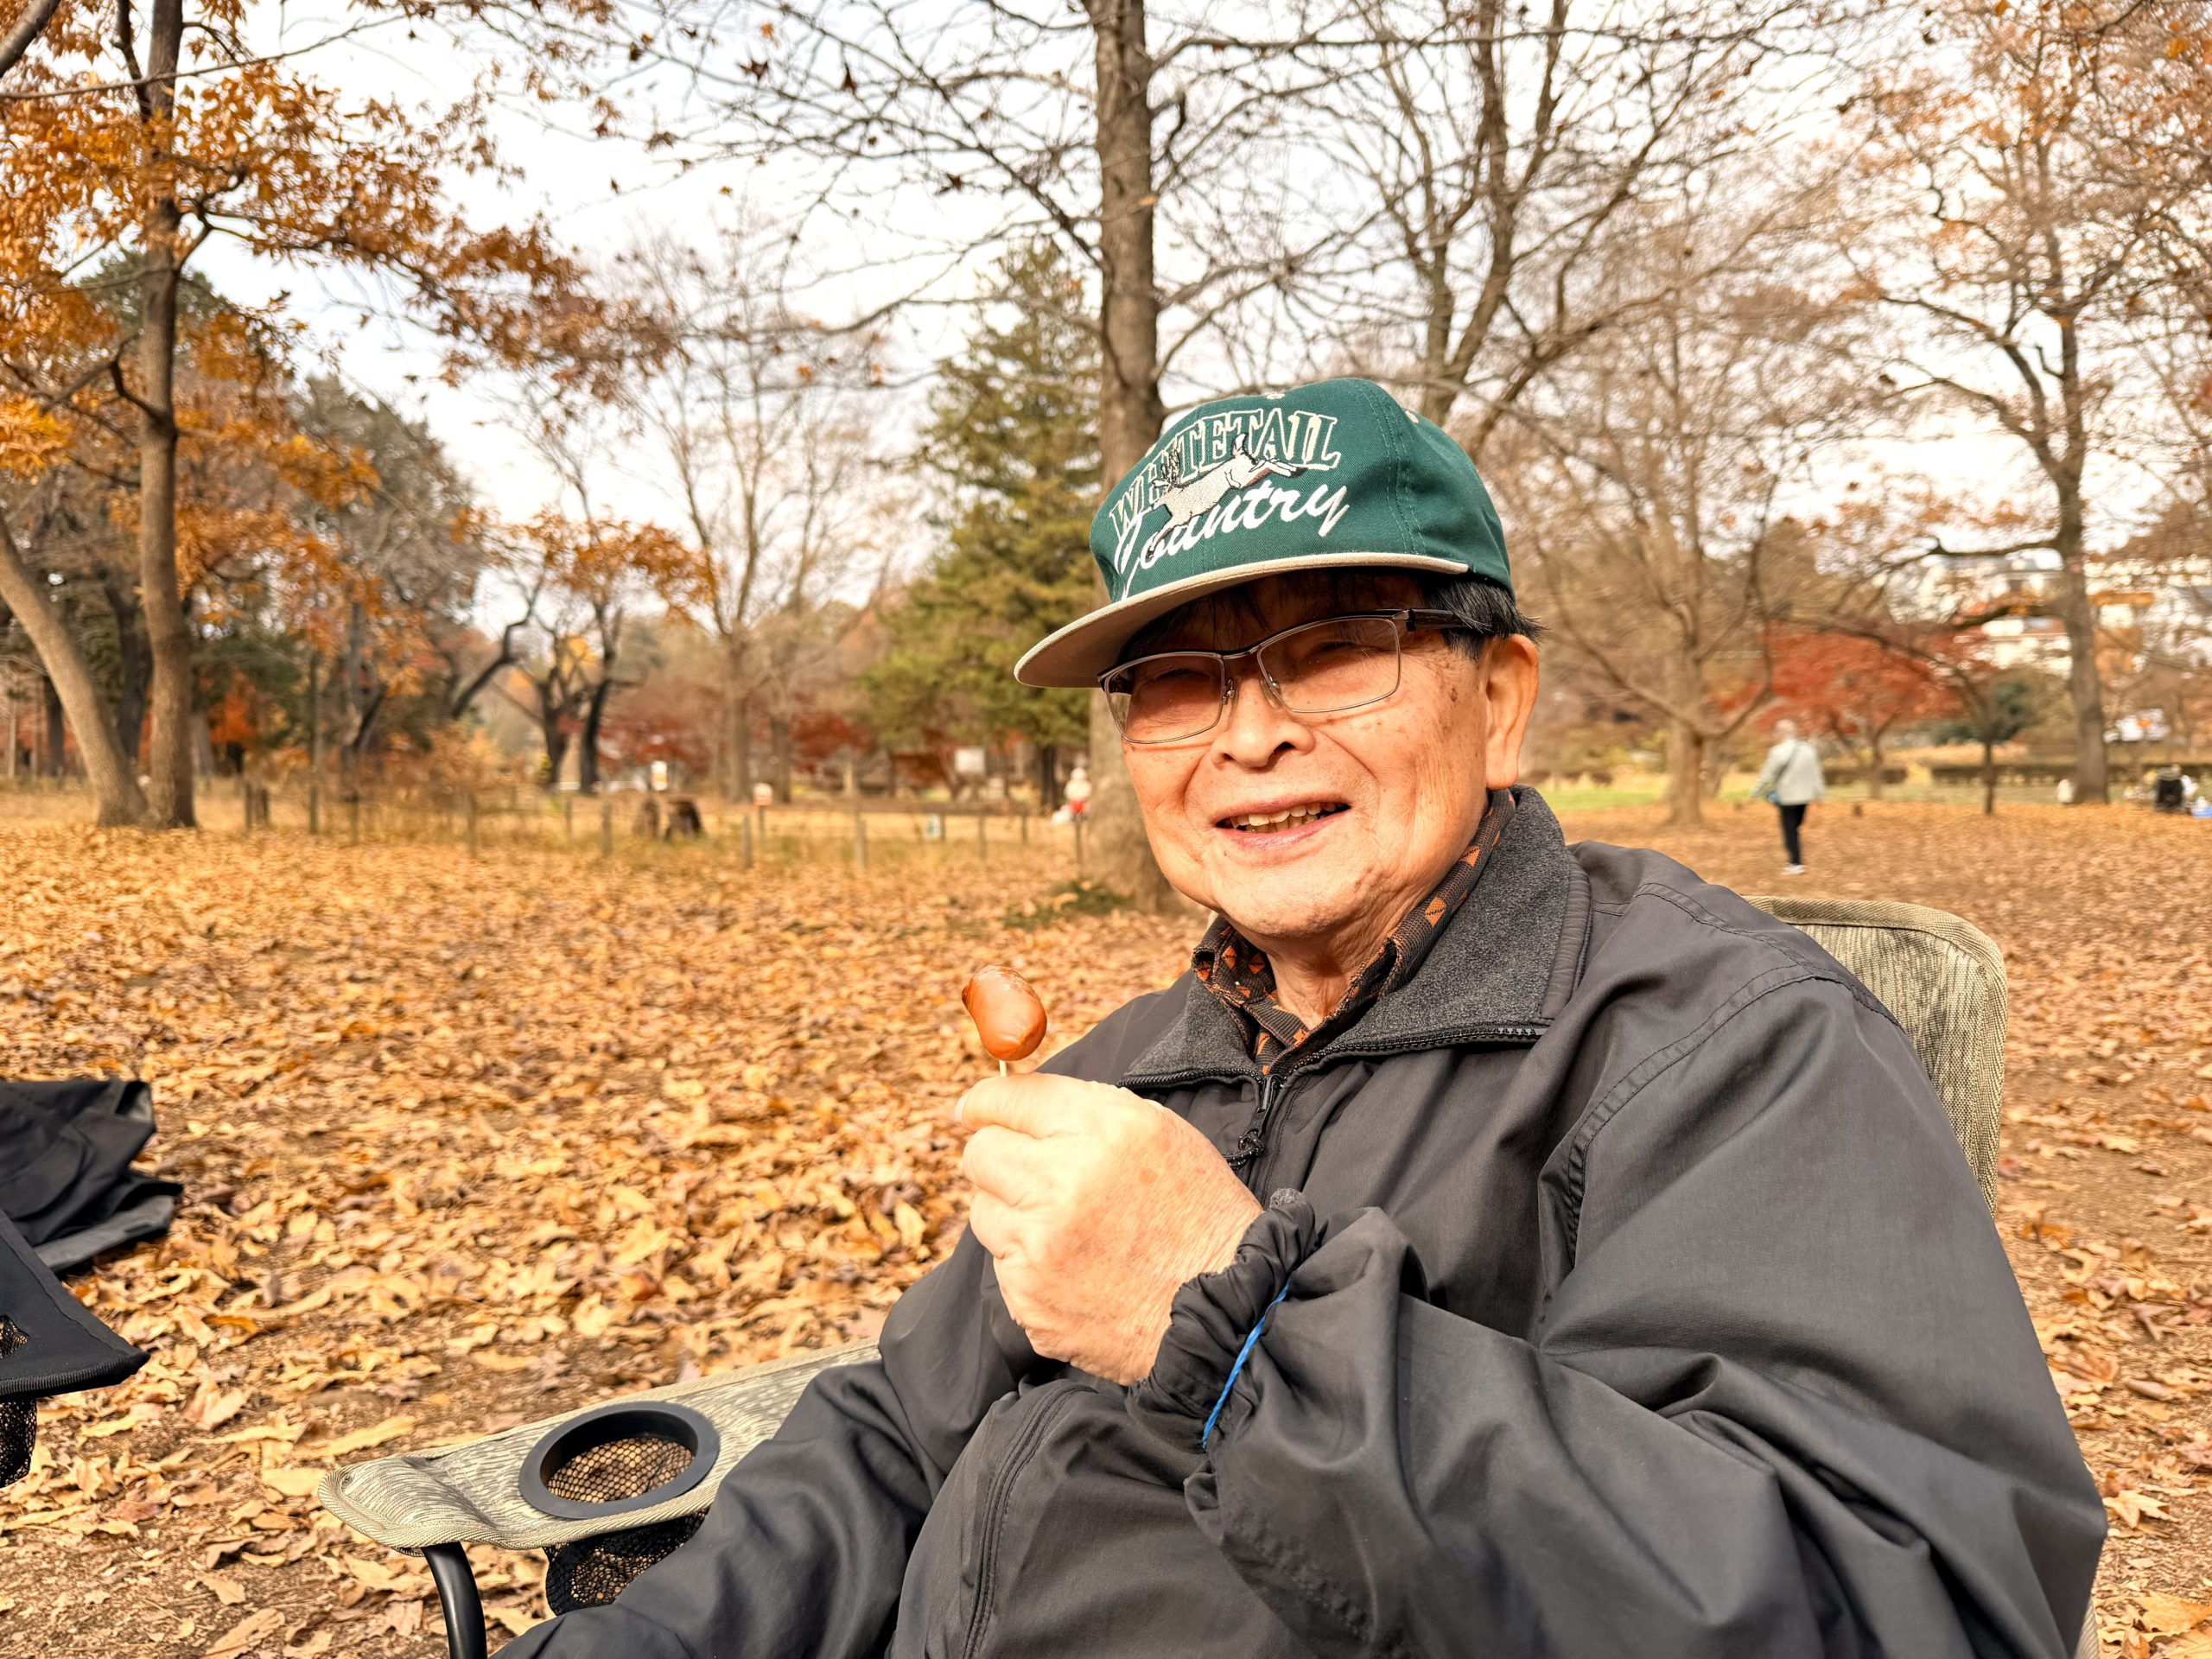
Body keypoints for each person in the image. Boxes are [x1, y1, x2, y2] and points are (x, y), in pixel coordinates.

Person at [505, 379, 2100, 1658]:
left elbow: (1907, 1602)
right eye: (1176, 681)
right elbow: (888, 1439)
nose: (1249, 737)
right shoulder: (1138, 1064)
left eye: (1334, 650)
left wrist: (1240, 1328)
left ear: (1501, 698)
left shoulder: (1723, 1049)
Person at [1752, 718, 1827, 874]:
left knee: (1790, 829)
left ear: (1780, 732)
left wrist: (1755, 793)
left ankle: (1795, 863)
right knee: (1796, 827)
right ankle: (1795, 860)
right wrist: (1820, 795)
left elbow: (1767, 776)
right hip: (1804, 796)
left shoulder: (1777, 751)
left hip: (1787, 797)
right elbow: (1816, 774)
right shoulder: (1809, 750)